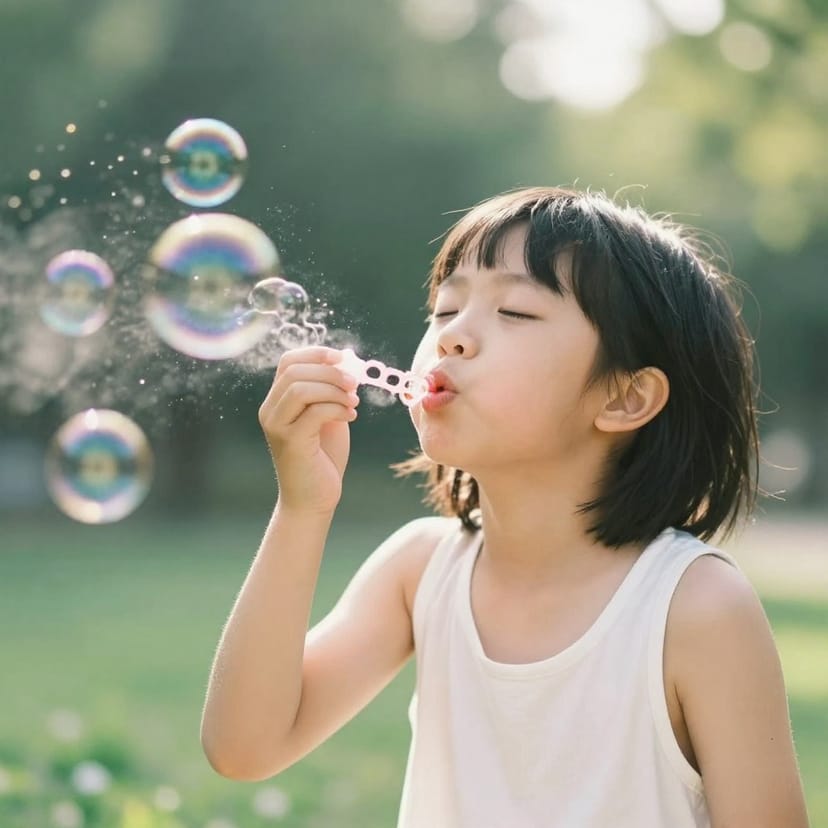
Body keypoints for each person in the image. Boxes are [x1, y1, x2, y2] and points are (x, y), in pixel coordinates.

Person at [200, 186, 810, 827]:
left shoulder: (696, 608)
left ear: (625, 399)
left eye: (515, 311)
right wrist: (302, 508)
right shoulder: (420, 571)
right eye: (444, 308)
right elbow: (244, 747)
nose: (453, 336)